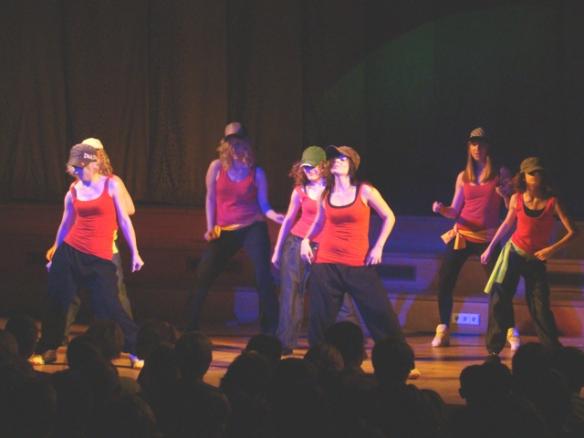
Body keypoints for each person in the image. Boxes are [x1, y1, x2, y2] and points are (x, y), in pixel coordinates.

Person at [35, 143, 143, 363]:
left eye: (80, 167)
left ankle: (135, 348)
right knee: (58, 301)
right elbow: (65, 224)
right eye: (74, 167)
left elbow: (125, 220)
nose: (76, 171)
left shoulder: (112, 184)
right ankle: (47, 347)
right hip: (70, 253)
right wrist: (56, 251)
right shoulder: (73, 191)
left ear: (94, 164)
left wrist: (135, 252)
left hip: (100, 256)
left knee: (111, 306)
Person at [300, 145, 405, 348]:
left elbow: (389, 216)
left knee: (380, 314)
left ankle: (398, 357)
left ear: (352, 165)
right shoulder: (325, 194)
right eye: (334, 158)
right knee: (319, 318)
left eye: (342, 158)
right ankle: (318, 358)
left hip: (358, 262)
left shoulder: (364, 190)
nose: (336, 161)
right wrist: (306, 240)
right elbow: (319, 222)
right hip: (326, 262)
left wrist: (378, 247)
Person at [185, 123, 284, 334]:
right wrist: (210, 227)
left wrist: (274, 215)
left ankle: (270, 332)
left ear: (246, 144)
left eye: (238, 143)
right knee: (203, 274)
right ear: (225, 145)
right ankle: (190, 328)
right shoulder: (216, 167)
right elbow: (210, 198)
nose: (235, 147)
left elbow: (264, 204)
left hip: (252, 227)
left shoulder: (256, 172)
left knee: (262, 277)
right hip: (224, 230)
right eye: (230, 143)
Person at [431, 127, 519, 348]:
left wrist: (504, 195)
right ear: (469, 148)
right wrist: (441, 209)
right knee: (445, 280)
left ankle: (510, 330)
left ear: (487, 146)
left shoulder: (500, 173)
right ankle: (443, 328)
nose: (477, 148)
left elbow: (511, 206)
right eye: (473, 144)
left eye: (480, 143)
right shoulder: (463, 176)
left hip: (488, 238)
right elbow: (454, 210)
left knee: (499, 285)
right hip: (462, 234)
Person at [481, 157, 577, 356]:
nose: (536, 176)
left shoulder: (552, 202)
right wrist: (490, 248)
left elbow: (573, 232)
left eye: (538, 172)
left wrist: (551, 249)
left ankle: (553, 351)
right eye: (532, 173)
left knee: (540, 306)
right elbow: (507, 224)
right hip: (514, 254)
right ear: (523, 176)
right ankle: (493, 350)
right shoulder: (517, 198)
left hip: (535, 260)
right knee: (499, 299)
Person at [271, 145, 359, 354]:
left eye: (313, 166)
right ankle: (285, 343)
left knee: (339, 294)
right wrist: (277, 249)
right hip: (296, 243)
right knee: (291, 294)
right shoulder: (300, 191)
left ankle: (350, 344)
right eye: (305, 167)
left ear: (323, 166)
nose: (309, 171)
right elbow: (289, 220)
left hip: (325, 247)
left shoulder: (334, 189)